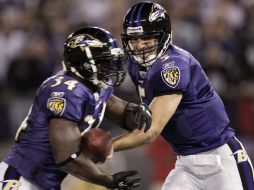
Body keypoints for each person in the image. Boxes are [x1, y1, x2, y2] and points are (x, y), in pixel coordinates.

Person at [113, 2, 254, 190]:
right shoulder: (135, 66)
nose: (139, 46)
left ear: (163, 36)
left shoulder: (172, 65)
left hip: (220, 159)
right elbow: (141, 118)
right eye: (134, 39)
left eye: (146, 38)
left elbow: (151, 130)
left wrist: (108, 145)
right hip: (185, 163)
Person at [0, 26, 152, 190]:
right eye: (103, 61)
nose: (110, 66)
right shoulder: (64, 92)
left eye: (111, 60)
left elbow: (122, 114)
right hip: (21, 178)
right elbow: (66, 158)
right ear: (82, 62)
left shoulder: (96, 85)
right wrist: (109, 180)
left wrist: (139, 113)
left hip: (46, 183)